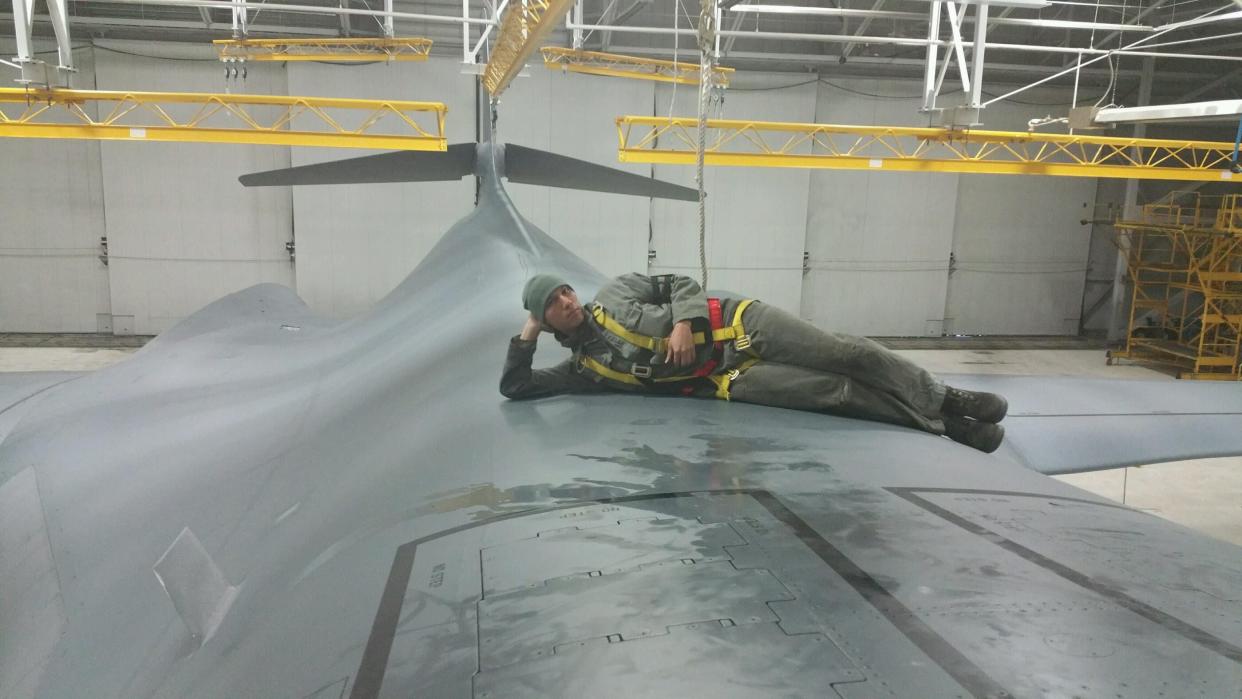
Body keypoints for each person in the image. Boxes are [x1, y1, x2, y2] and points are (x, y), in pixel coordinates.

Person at [500, 272, 1009, 453]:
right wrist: (527, 335)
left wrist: (683, 322)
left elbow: (679, 283)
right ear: (545, 321)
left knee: (846, 353)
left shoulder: (616, 291)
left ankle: (945, 396)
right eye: (553, 304)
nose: (566, 301)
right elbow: (517, 387)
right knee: (838, 394)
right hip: (727, 377)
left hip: (742, 325)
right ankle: (943, 426)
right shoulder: (584, 373)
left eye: (565, 291)